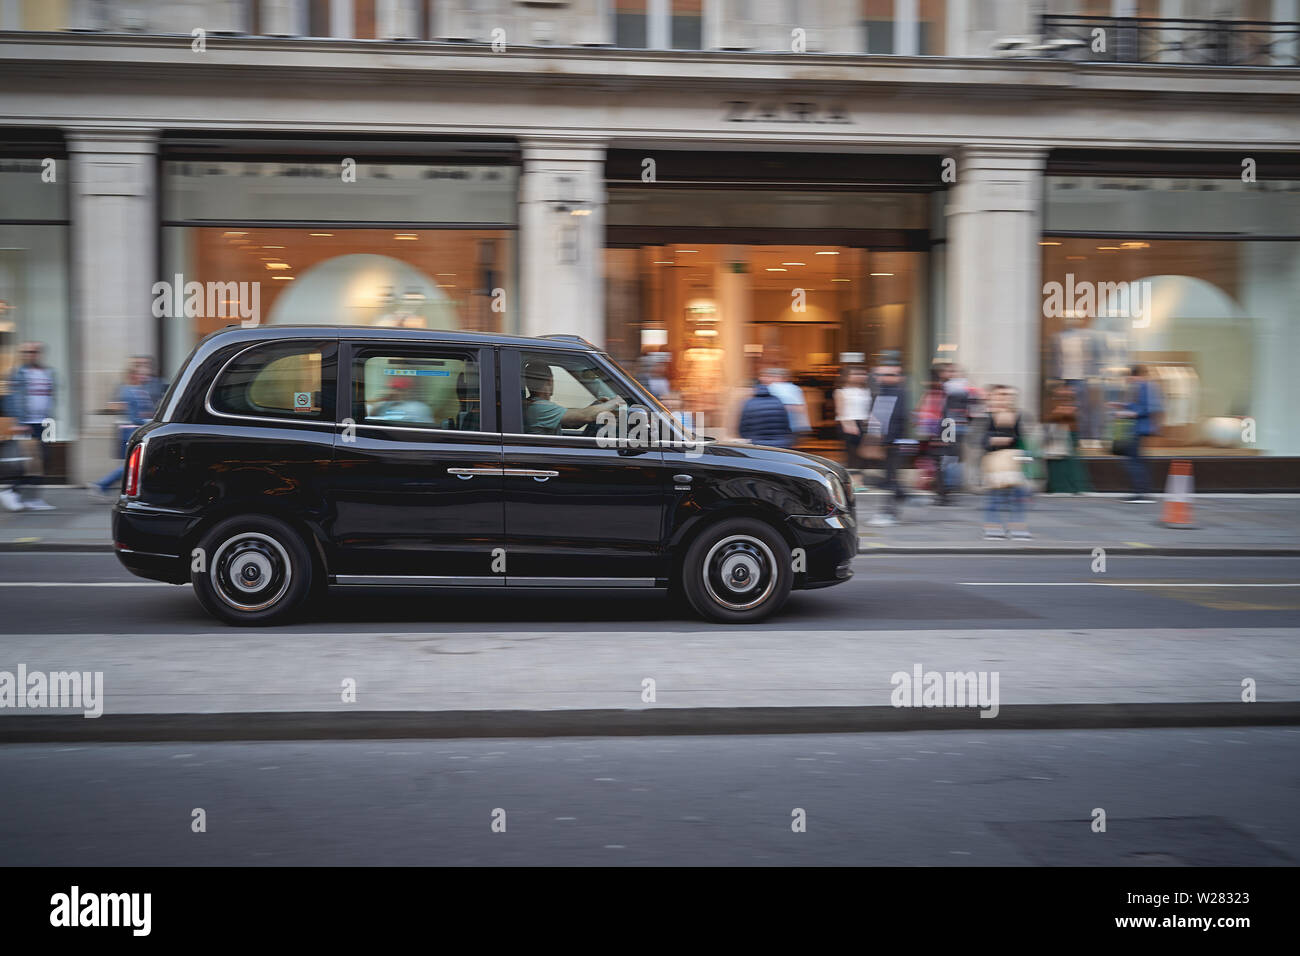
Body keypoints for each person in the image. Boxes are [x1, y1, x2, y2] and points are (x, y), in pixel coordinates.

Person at [88, 360, 156, 498]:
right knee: (130, 464)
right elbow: (133, 416)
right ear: (133, 375)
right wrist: (150, 421)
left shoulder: (141, 390)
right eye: (140, 374)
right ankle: (101, 485)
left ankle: (110, 487)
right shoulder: (128, 391)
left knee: (135, 464)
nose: (144, 376)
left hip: (138, 430)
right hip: (129, 431)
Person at [4, 341, 56, 511]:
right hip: (27, 423)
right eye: (27, 351)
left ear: (39, 353)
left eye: (34, 351)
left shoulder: (48, 372)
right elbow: (11, 399)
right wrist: (17, 422)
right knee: (29, 462)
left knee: (45, 459)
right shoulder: (19, 373)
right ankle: (12, 491)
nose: (31, 354)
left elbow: (50, 395)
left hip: (45, 422)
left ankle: (32, 498)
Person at [981, 385, 1031, 539]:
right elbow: (982, 440)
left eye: (1008, 395)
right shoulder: (989, 416)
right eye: (1002, 394)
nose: (1005, 397)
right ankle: (992, 526)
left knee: (1018, 495)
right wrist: (994, 440)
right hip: (995, 461)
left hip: (1012, 461)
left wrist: (1011, 440)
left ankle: (1017, 526)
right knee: (995, 496)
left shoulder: (1017, 415)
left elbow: (1020, 438)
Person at [522, 361, 622, 435]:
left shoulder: (531, 405)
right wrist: (615, 402)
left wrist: (596, 405)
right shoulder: (540, 408)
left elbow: (573, 423)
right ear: (550, 381)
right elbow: (585, 416)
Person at [867, 361, 910, 526]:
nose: (882, 377)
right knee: (890, 478)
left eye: (889, 374)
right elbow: (878, 416)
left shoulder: (901, 393)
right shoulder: (880, 392)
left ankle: (888, 513)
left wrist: (890, 440)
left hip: (895, 442)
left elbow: (900, 418)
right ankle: (903, 495)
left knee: (891, 478)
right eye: (880, 374)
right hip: (885, 441)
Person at [1112, 363, 1162, 503]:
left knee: (1134, 461)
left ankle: (1139, 493)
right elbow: (1141, 406)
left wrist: (1129, 413)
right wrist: (1122, 406)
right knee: (1137, 460)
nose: (1130, 379)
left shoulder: (1146, 386)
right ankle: (1142, 492)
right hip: (1139, 428)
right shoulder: (1144, 386)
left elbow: (1147, 409)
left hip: (1140, 428)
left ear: (1137, 375)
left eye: (1131, 376)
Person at [1044, 380, 1091, 494]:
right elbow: (1047, 417)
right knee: (1058, 463)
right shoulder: (1051, 401)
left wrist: (1067, 412)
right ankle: (1060, 488)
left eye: (1070, 389)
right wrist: (1062, 412)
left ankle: (1075, 488)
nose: (1070, 391)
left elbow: (1078, 416)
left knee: (1071, 463)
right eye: (1066, 388)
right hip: (1058, 435)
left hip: (1071, 435)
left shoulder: (1073, 401)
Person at [833, 366, 871, 491]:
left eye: (861, 373)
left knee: (862, 455)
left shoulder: (866, 390)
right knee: (852, 455)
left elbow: (867, 410)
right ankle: (855, 483)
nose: (859, 376)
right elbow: (840, 411)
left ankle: (858, 481)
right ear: (847, 376)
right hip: (849, 423)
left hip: (863, 424)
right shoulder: (841, 391)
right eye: (855, 374)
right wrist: (849, 425)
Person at [738, 369, 794, 448]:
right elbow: (786, 424)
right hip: (780, 444)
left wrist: (750, 438)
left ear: (755, 389)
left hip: (759, 445)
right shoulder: (778, 401)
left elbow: (742, 428)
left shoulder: (749, 403)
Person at [765, 368, 811, 440]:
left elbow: (799, 408)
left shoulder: (780, 388)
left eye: (771, 376)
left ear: (780, 377)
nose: (769, 379)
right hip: (791, 427)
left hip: (786, 427)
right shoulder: (794, 388)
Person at [370, 375, 435, 423]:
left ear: (407, 391)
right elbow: (371, 419)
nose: (394, 392)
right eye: (392, 388)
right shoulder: (383, 405)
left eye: (399, 389)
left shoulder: (419, 408)